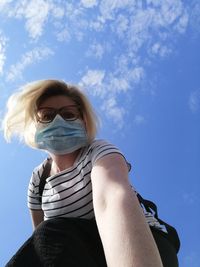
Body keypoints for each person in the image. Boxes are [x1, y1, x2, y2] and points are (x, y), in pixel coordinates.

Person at [2, 79, 179, 267]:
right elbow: (42, 245)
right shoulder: (38, 181)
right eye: (47, 116)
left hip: (143, 243)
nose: (58, 121)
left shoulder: (98, 151)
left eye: (68, 114)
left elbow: (112, 198)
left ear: (83, 121)